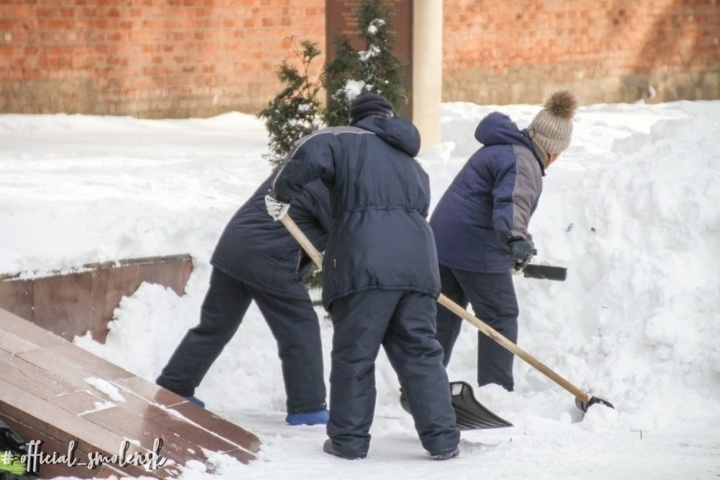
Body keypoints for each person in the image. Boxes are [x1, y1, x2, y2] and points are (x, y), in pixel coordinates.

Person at [265, 93, 460, 460]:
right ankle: (443, 440)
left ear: (357, 119)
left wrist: (280, 192)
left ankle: (348, 441)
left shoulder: (345, 139)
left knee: (354, 355)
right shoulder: (412, 162)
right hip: (419, 264)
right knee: (420, 353)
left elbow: (310, 149)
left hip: (366, 262)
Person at [429, 90, 578, 392]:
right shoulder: (524, 161)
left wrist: (520, 241)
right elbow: (511, 202)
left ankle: (421, 385)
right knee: (500, 316)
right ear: (554, 152)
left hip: (441, 244)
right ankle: (495, 391)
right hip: (474, 249)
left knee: (445, 316)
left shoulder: (501, 148)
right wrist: (516, 238)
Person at [156, 172, 332, 426]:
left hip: (235, 247)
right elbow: (348, 229)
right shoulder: (330, 183)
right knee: (299, 327)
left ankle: (174, 387)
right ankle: (308, 408)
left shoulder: (301, 165)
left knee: (216, 325)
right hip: (269, 258)